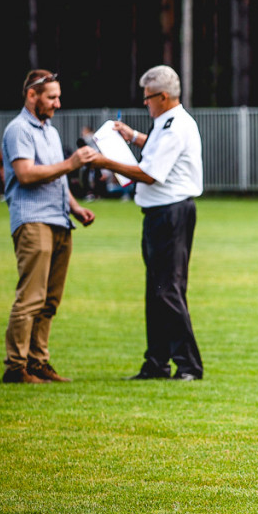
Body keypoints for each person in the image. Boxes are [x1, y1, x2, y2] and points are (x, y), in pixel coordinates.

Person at [89, 65, 205, 381]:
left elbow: (150, 173)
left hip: (170, 214)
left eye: (148, 97)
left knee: (167, 290)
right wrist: (134, 137)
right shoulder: (167, 123)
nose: (145, 103)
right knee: (157, 291)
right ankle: (156, 362)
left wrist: (104, 161)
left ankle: (188, 365)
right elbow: (156, 150)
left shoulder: (173, 126)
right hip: (161, 213)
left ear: (164, 97)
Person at [0, 70, 97, 383]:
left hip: (59, 220)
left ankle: (38, 362)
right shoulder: (18, 130)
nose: (58, 102)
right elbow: (26, 174)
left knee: (50, 300)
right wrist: (70, 164)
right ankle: (16, 368)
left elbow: (58, 177)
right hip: (33, 220)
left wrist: (75, 207)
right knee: (31, 297)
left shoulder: (50, 132)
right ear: (32, 96)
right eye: (52, 97)